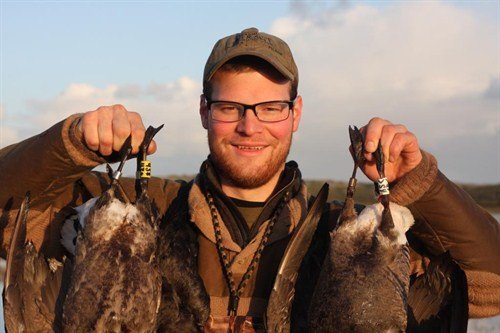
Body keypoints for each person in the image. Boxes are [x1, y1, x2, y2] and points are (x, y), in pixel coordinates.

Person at [0, 27, 499, 332]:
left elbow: (489, 288)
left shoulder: (354, 242)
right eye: (229, 107)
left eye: (270, 107)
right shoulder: (121, 215)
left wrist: (419, 184)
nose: (249, 125)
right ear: (203, 111)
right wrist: (69, 145)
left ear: (296, 113)